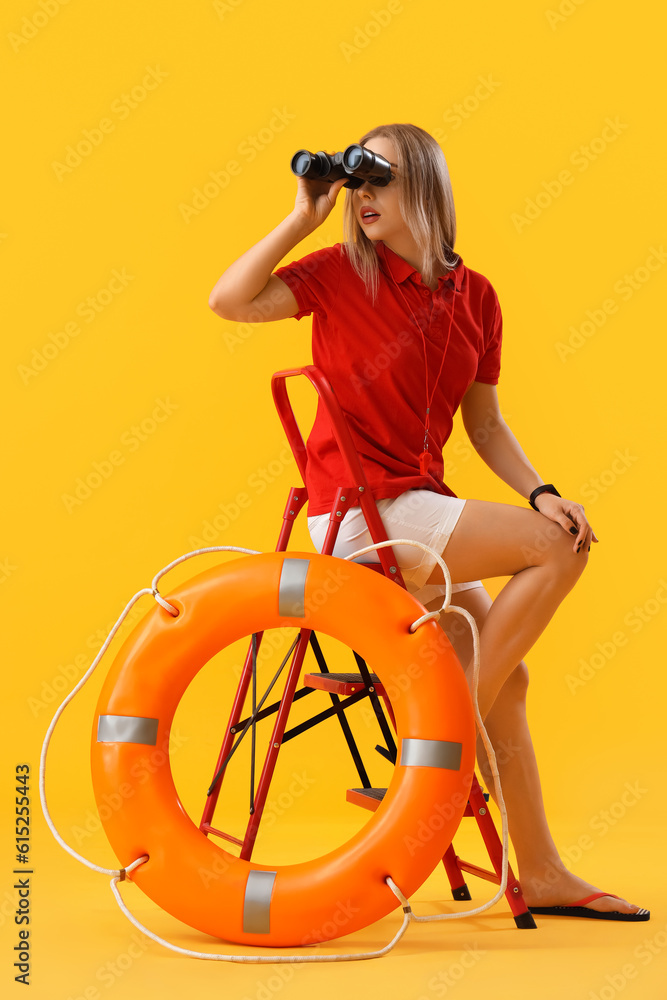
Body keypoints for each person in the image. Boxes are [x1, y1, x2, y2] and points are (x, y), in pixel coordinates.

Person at [208, 122, 648, 921]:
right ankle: (433, 744)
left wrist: (540, 489)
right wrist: (304, 215)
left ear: (426, 185)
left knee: (508, 675)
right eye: (357, 181)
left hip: (421, 514)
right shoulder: (341, 273)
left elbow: (484, 427)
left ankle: (541, 869)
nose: (363, 194)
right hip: (358, 515)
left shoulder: (475, 295)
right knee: (555, 556)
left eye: (379, 176)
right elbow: (228, 300)